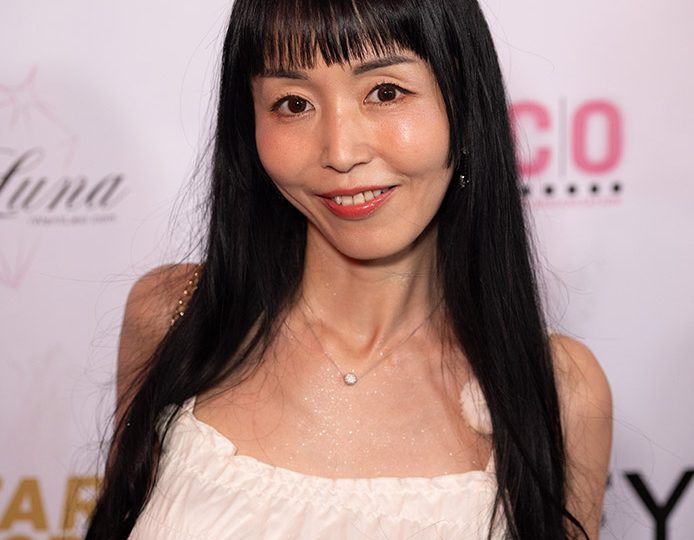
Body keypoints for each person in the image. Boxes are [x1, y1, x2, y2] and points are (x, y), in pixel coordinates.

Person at [86, 0, 613, 538]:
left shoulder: (559, 389)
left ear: (464, 101)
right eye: (293, 103)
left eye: (385, 93)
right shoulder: (174, 315)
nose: (339, 151)